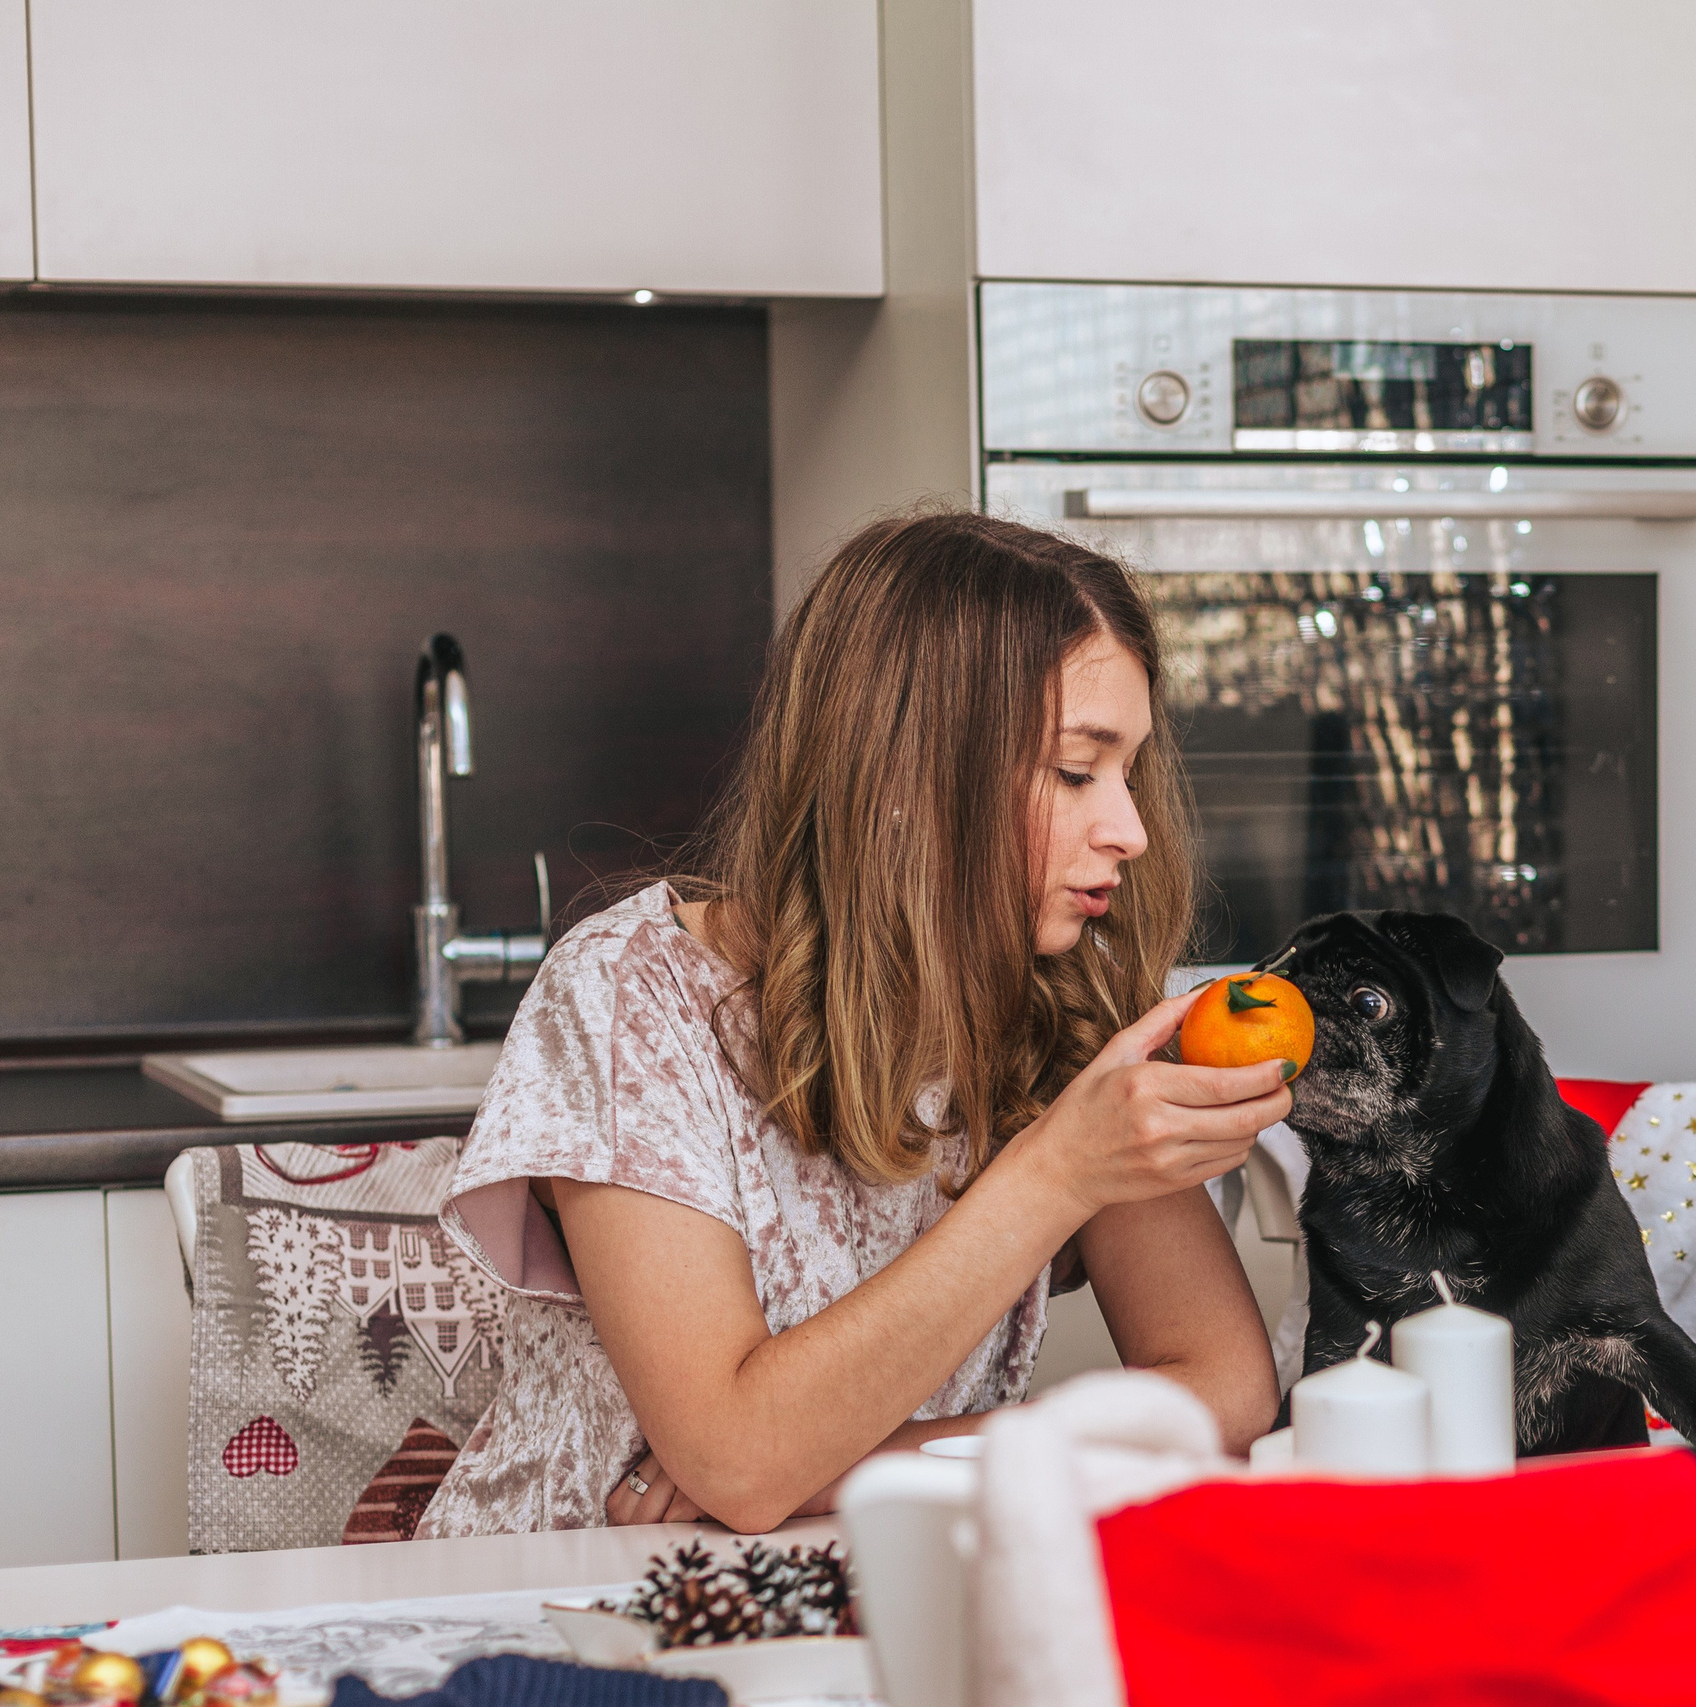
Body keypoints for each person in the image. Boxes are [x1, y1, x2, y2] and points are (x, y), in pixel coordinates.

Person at [418, 511, 1290, 1536]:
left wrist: (861, 1466)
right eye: (1073, 771)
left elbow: (1225, 1391)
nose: (1131, 830)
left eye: (1129, 771)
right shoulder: (630, 996)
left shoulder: (1059, 1005)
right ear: (905, 774)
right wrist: (1058, 1172)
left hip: (886, 1570)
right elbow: (741, 1465)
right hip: (570, 1598)